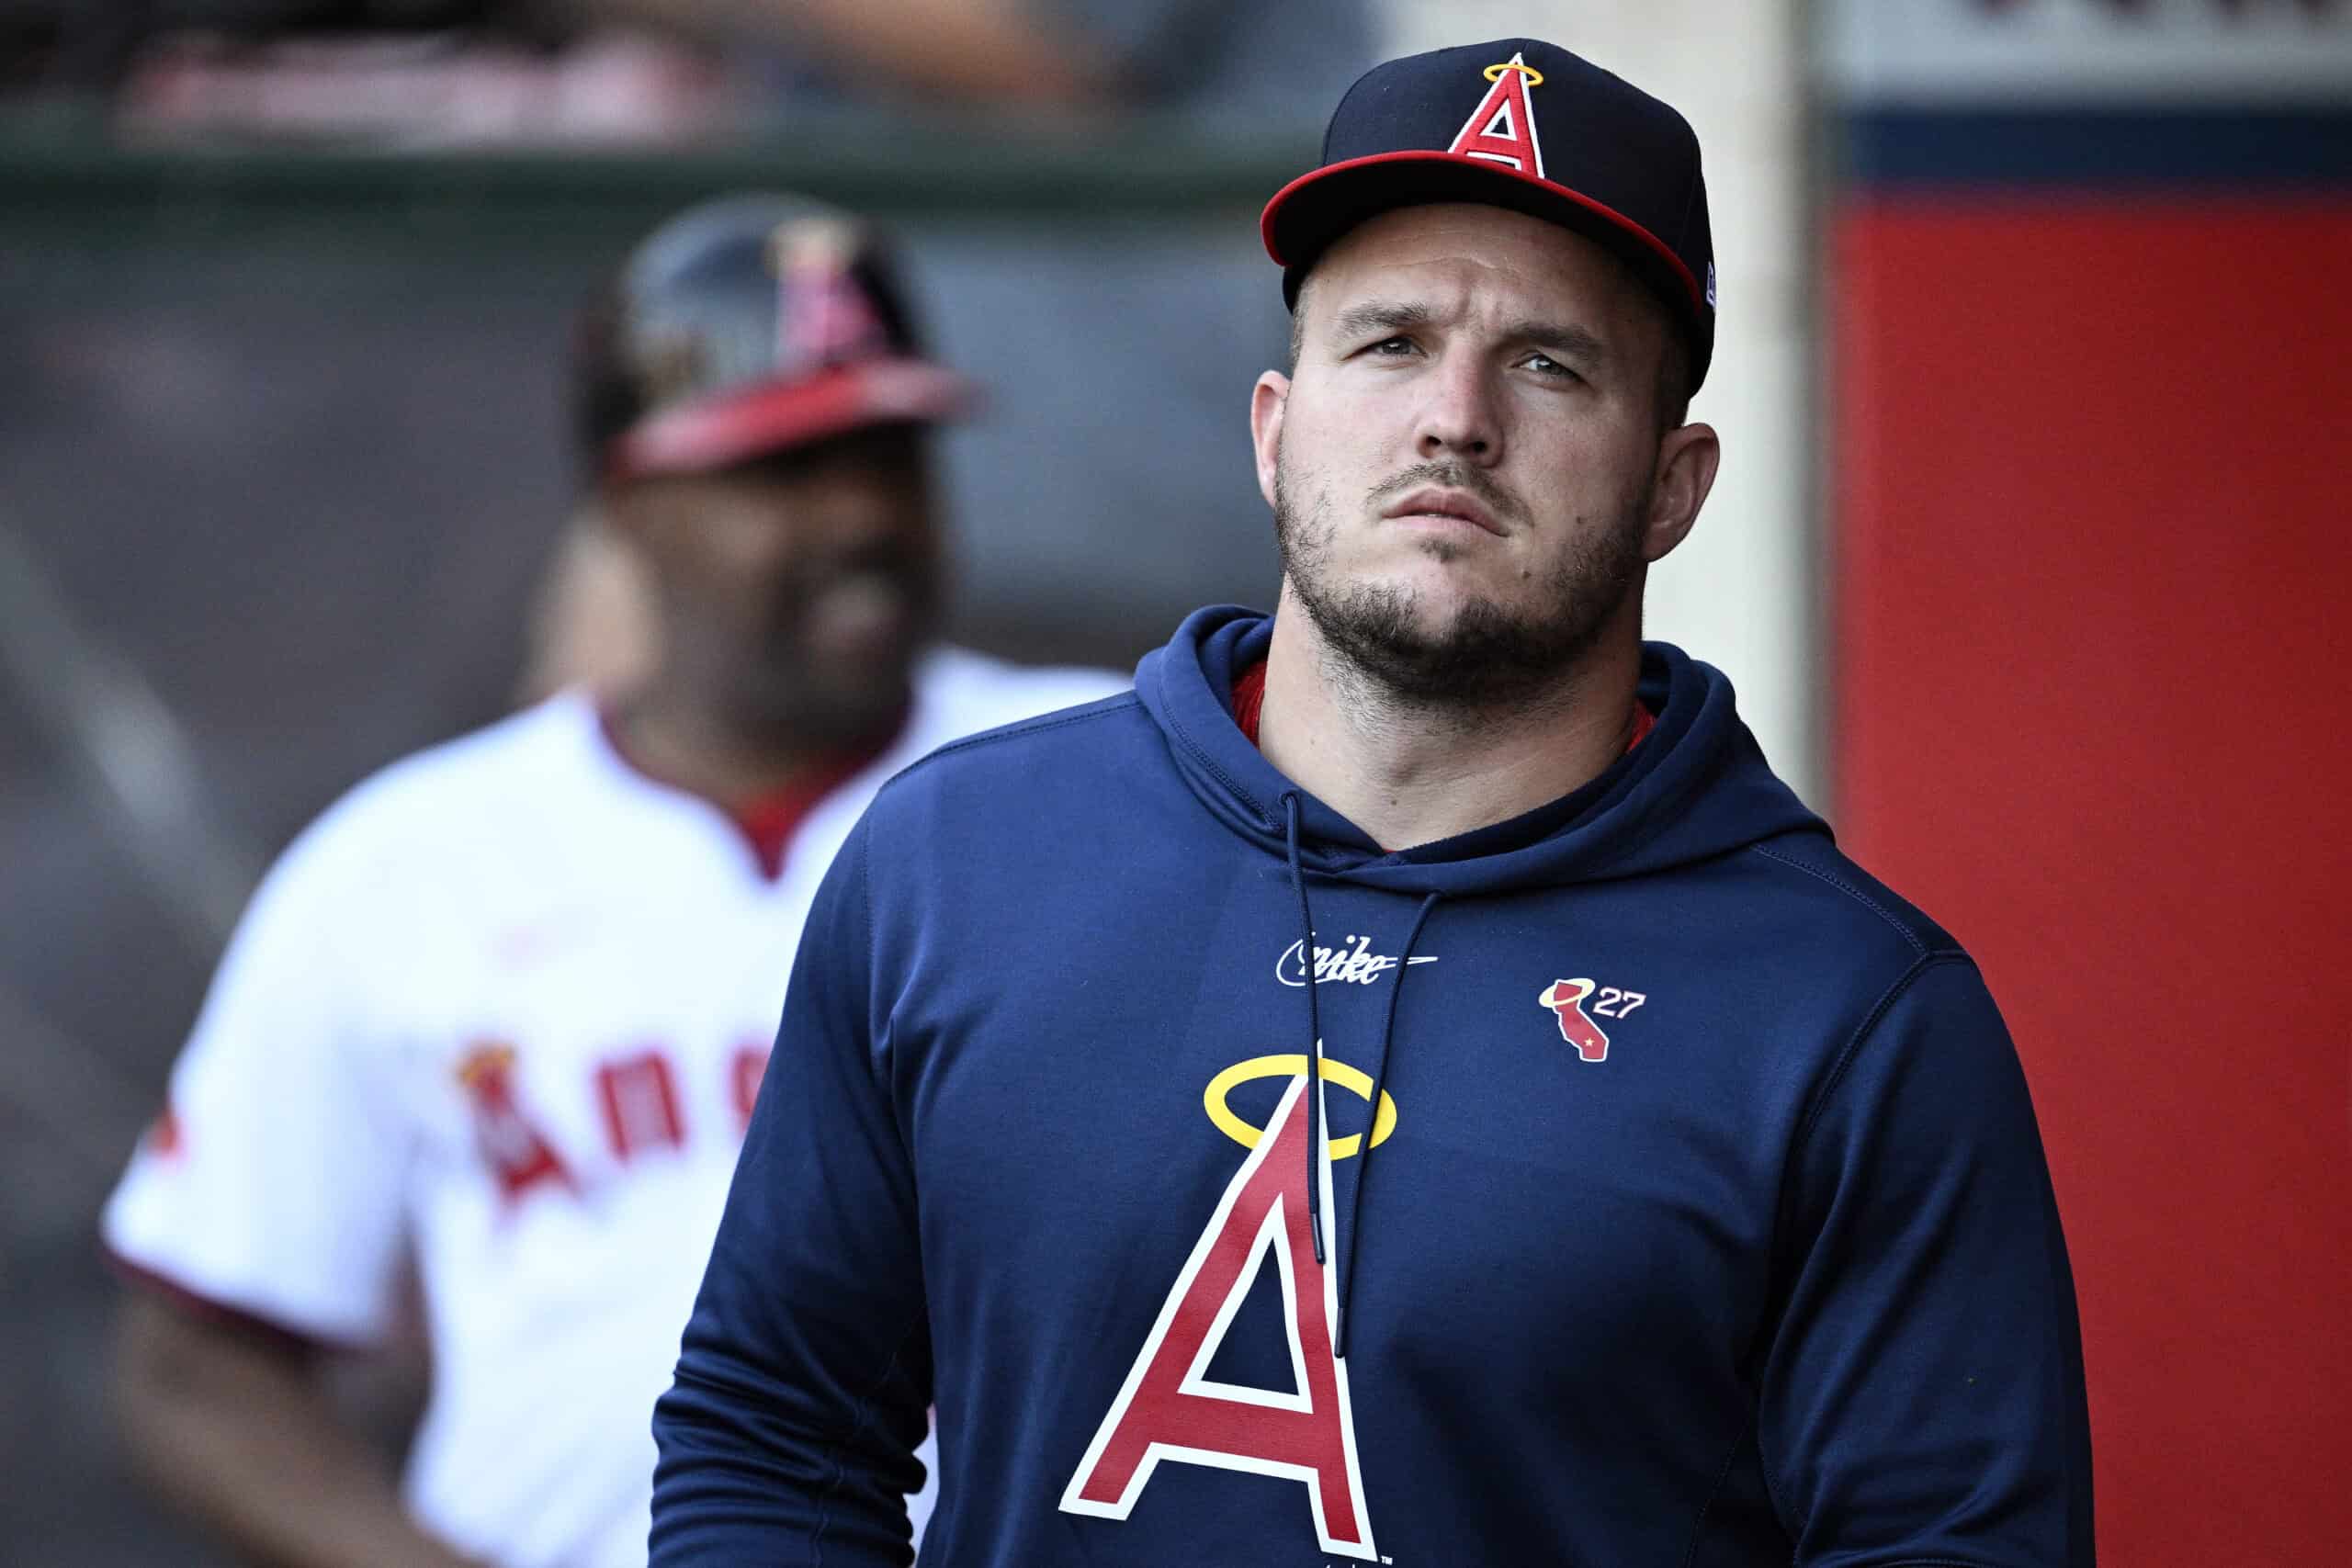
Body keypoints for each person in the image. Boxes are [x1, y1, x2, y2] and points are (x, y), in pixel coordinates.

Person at [649, 38, 2097, 1568]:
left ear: (1674, 484)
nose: (1455, 417)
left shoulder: (1852, 1017)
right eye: (1391, 342)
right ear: (1277, 427)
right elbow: (773, 1440)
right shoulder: (955, 864)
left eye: (1549, 362)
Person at [100, 191, 1124, 1568]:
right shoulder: (409, 863)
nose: (861, 516)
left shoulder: (1113, 771)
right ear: (630, 507)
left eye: (889, 455)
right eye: (785, 470)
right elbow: (196, 1363)